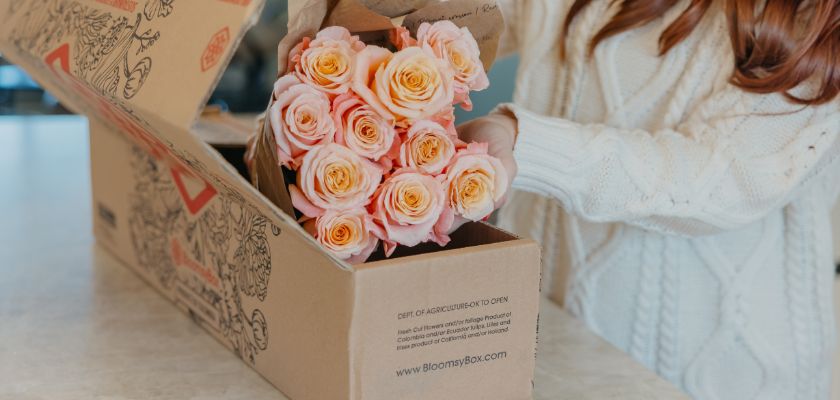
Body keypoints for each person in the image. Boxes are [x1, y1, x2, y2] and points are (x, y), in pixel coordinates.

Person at [457, 1, 840, 399]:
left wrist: (522, 140)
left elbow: (723, 177)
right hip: (545, 333)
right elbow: (474, 16)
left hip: (707, 373)